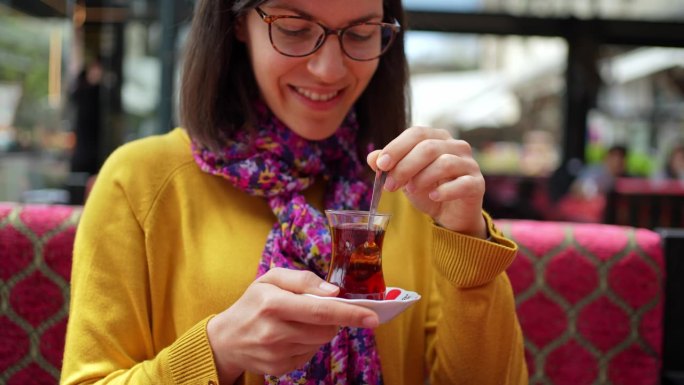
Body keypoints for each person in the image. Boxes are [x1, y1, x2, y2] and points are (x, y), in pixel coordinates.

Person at [61, 1, 527, 384]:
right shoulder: (140, 181)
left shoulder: (407, 192)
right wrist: (220, 348)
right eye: (294, 28)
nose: (329, 70)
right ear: (236, 22)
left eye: (361, 34)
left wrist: (467, 236)